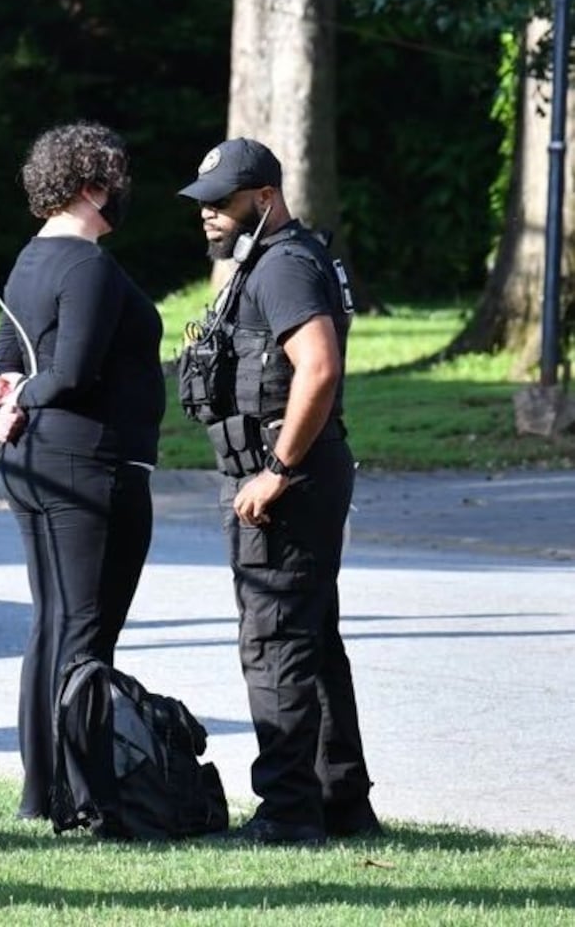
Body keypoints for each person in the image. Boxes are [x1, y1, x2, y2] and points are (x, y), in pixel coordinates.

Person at [175, 137, 379, 844]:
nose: (207, 215)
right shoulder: (271, 260)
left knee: (275, 643)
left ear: (264, 198)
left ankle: (289, 812)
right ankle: (341, 800)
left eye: (221, 202)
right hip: (302, 476)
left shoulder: (285, 266)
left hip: (288, 482)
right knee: (311, 637)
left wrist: (279, 469)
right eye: (201, 204)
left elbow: (318, 369)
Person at [0, 122, 166, 822]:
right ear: (93, 186)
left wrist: (5, 395)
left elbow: (6, 349)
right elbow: (73, 369)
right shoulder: (87, 263)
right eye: (115, 183)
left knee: (54, 624)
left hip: (37, 460)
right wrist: (23, 394)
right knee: (86, 632)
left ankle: (46, 792)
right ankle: (84, 794)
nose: (122, 196)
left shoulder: (32, 256)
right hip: (88, 463)